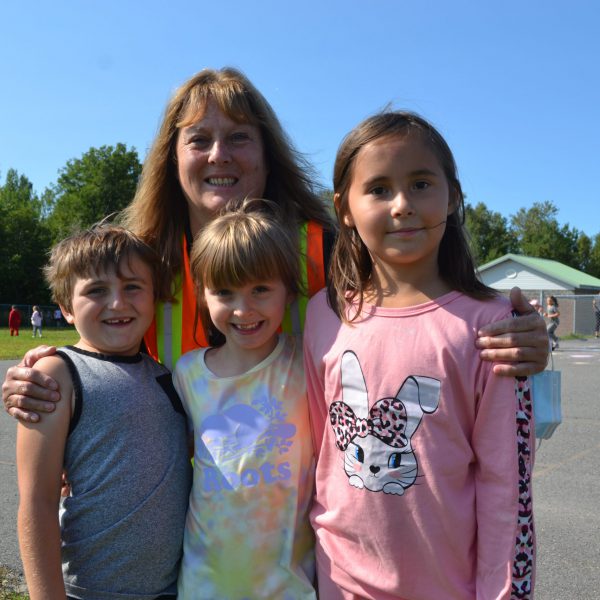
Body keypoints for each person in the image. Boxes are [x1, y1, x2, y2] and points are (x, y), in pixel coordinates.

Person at [2, 67, 548, 422]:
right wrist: (46, 373)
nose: (220, 155)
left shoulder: (331, 245)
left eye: (240, 136)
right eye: (200, 139)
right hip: (170, 520)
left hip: (300, 526)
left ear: (267, 153)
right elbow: (98, 353)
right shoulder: (139, 262)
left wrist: (514, 333)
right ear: (172, 157)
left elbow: (422, 307)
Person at [303, 111, 535, 598]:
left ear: (452, 196)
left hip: (446, 586)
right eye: (380, 189)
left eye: (421, 184)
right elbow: (315, 454)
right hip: (339, 581)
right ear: (344, 207)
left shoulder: (490, 324)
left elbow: (505, 483)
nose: (403, 204)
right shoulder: (322, 316)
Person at [16, 224, 191, 600]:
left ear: (154, 296)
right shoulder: (56, 374)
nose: (117, 303)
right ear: (65, 308)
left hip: (175, 589)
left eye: (132, 286)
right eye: (96, 291)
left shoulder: (168, 376)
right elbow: (37, 501)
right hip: (90, 590)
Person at [173, 198, 315, 598]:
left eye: (260, 289)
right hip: (205, 584)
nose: (243, 309)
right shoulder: (187, 374)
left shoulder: (308, 361)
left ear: (288, 292)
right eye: (225, 292)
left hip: (291, 586)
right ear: (203, 295)